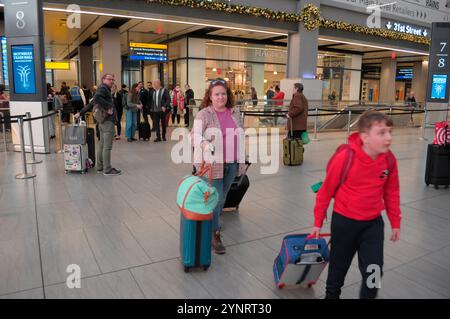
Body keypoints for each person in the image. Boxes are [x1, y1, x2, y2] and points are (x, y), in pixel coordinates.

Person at [311, 110, 401, 299]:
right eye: (382, 132)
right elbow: (326, 191)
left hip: (372, 224)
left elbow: (392, 192)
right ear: (365, 137)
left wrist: (395, 222)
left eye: (390, 132)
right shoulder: (346, 157)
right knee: (338, 270)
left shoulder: (389, 160)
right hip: (344, 222)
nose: (388, 138)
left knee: (375, 272)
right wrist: (318, 222)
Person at [191, 78, 247, 254]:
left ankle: (211, 223)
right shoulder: (204, 114)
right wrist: (204, 144)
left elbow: (240, 135)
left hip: (232, 163)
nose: (220, 97)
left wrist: (242, 158)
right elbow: (194, 135)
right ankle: (214, 234)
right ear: (210, 96)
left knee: (222, 198)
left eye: (223, 94)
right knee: (215, 199)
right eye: (216, 94)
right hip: (213, 163)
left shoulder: (235, 112)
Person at [75, 74, 121, 176]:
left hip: (102, 122)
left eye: (113, 79)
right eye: (109, 79)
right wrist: (108, 107)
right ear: (103, 80)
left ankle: (100, 167)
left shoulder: (103, 89)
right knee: (107, 147)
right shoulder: (104, 89)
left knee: (102, 145)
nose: (112, 81)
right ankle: (107, 169)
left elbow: (92, 103)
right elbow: (97, 98)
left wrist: (80, 113)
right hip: (107, 122)